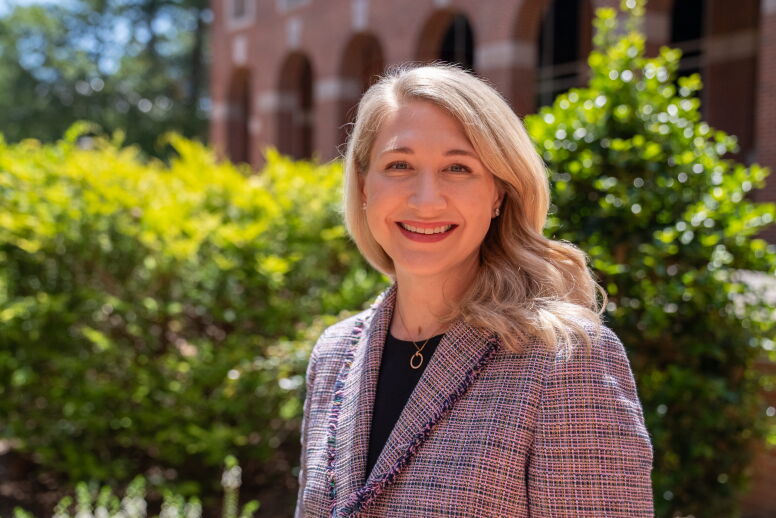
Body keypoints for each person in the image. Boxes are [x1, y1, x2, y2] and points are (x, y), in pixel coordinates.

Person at [294, 63, 654, 517]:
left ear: (499, 194)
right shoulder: (333, 356)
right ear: (365, 186)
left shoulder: (564, 359)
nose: (426, 200)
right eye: (399, 164)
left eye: (458, 168)